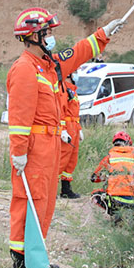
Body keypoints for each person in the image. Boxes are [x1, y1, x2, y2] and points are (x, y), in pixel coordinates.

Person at [7, 7, 123, 268]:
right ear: (33, 36)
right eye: (46, 32)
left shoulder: (48, 66)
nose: (51, 36)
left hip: (50, 145)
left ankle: (36, 256)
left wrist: (103, 34)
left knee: (45, 203)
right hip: (34, 148)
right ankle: (21, 262)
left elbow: (78, 53)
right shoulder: (25, 69)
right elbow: (20, 118)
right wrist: (19, 152)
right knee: (29, 201)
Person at [90, 130, 134, 223]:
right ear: (129, 144)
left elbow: (94, 178)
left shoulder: (110, 157)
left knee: (95, 195)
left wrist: (107, 177)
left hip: (115, 202)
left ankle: (115, 214)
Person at [57, 71, 84, 199]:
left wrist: (79, 129)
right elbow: (61, 111)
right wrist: (62, 130)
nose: (76, 74)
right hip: (67, 127)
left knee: (71, 160)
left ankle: (66, 190)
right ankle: (51, 190)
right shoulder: (63, 88)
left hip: (74, 127)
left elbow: (74, 112)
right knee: (61, 160)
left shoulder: (72, 90)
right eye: (75, 72)